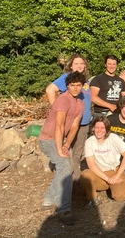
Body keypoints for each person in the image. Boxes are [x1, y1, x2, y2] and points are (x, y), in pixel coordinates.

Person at [38, 71, 86, 225]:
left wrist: (66, 145)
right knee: (65, 166)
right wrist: (59, 149)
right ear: (67, 86)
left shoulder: (80, 103)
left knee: (68, 167)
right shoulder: (63, 100)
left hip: (62, 139)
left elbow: (74, 127)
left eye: (78, 85)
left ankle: (49, 198)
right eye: (73, 85)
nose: (76, 88)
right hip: (48, 139)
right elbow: (59, 126)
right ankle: (63, 209)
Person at [45, 54, 91, 183]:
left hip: (83, 122)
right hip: (70, 122)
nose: (79, 66)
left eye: (82, 63)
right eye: (76, 63)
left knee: (77, 153)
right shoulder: (67, 78)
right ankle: (66, 182)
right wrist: (57, 110)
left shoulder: (85, 81)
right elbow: (50, 90)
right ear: (71, 66)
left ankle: (75, 181)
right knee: (66, 151)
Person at [80, 116, 125, 206]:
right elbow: (91, 165)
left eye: (102, 128)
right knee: (85, 175)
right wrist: (108, 179)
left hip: (115, 171)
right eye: (97, 128)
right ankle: (93, 198)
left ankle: (113, 186)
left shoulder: (113, 138)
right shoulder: (89, 142)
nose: (99, 131)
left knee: (120, 197)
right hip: (99, 173)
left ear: (107, 129)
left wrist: (116, 176)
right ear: (93, 128)